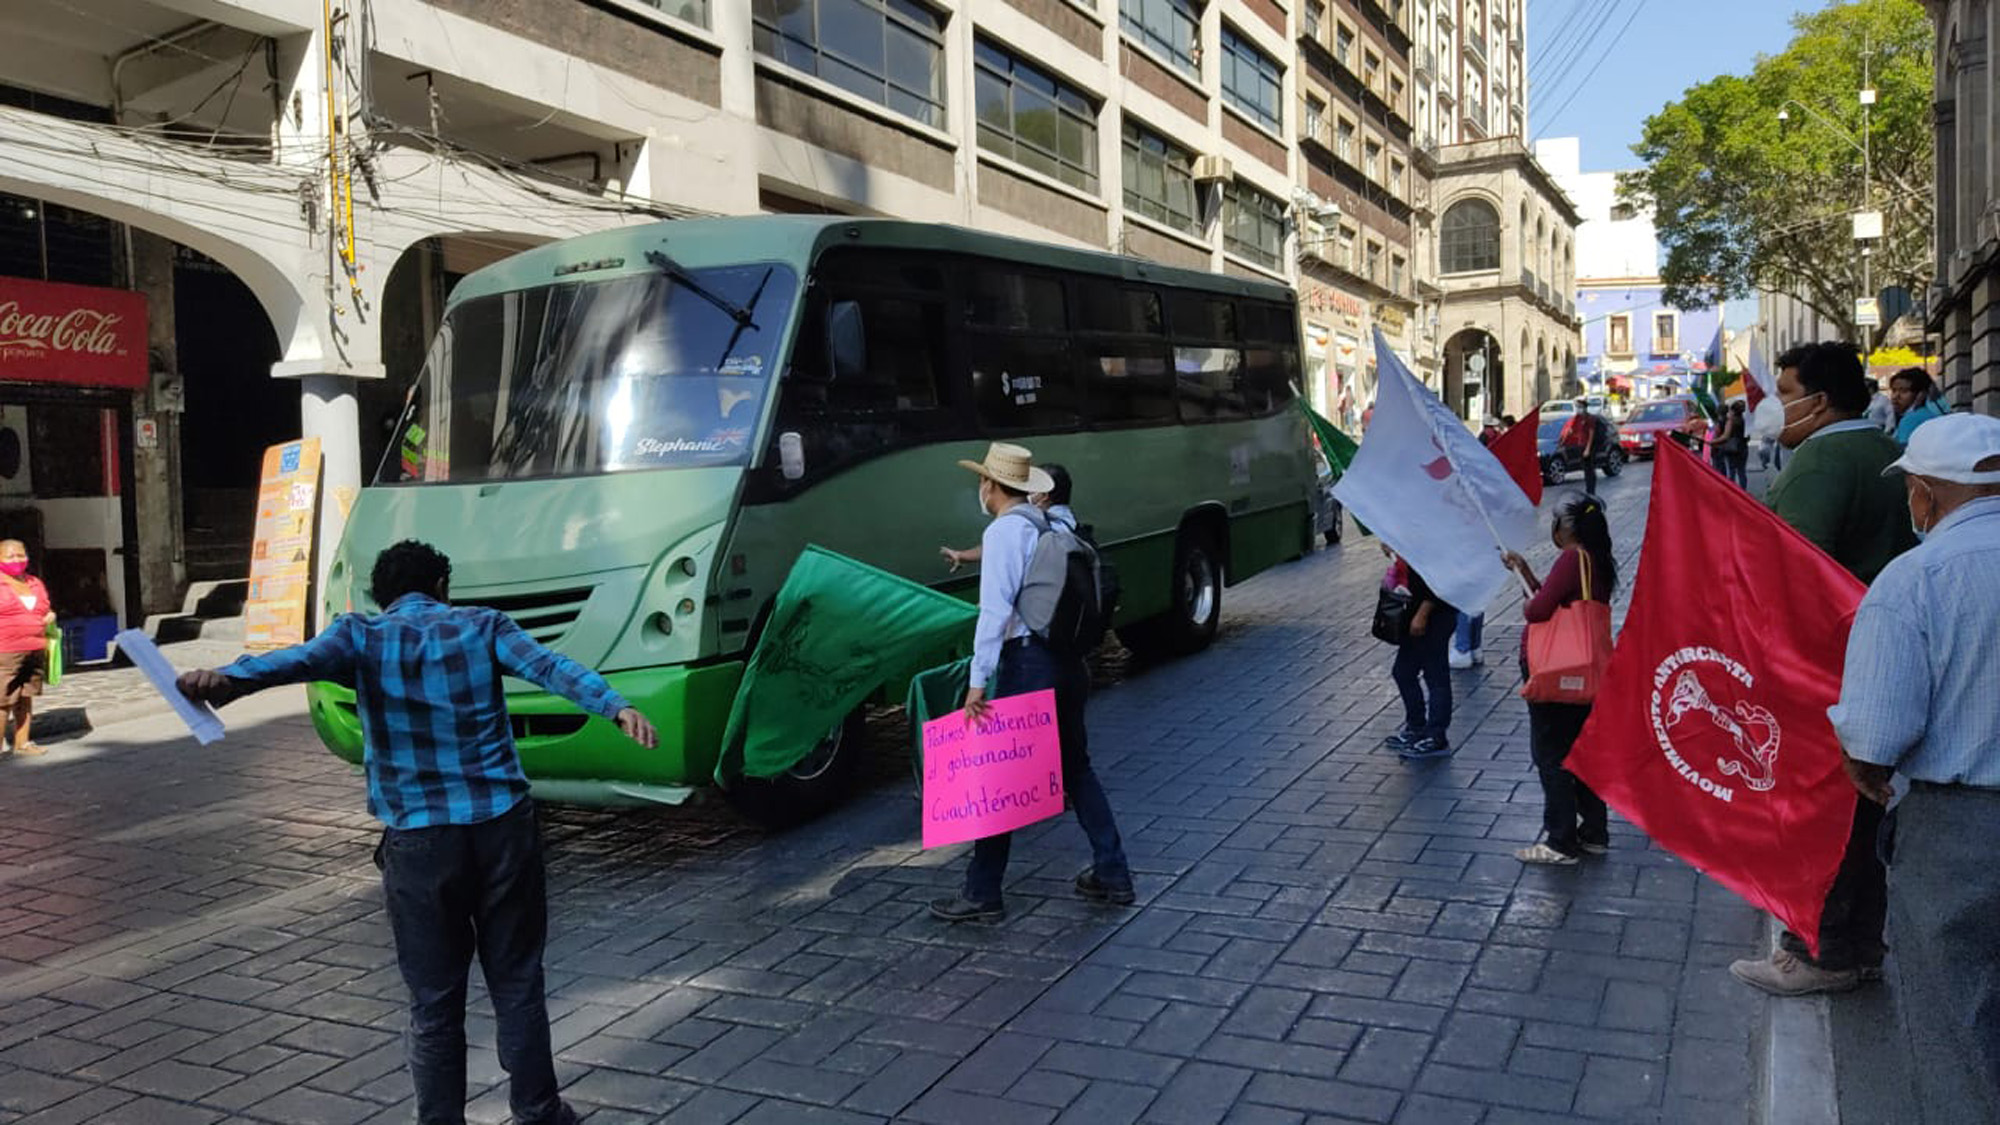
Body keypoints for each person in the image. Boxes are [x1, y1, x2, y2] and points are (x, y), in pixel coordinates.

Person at [176, 540, 659, 1125]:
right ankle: (538, 1110)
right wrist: (614, 706)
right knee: (518, 981)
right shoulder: (483, 626)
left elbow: (293, 661)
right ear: (440, 587)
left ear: (383, 597)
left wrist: (225, 681)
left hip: (420, 844)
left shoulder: (361, 635)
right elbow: (550, 666)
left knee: (433, 1003)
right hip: (502, 828)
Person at [1730, 341, 1916, 997]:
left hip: (1824, 665)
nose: (1779, 405)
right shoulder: (1889, 453)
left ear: (1822, 398)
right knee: (1861, 809)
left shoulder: (1823, 460)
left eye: (1786, 392)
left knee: (1821, 806)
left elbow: (1795, 572)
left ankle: (1818, 951)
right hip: (1878, 659)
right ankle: (1858, 944)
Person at [1829, 413, 2000, 1124]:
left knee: (1952, 1021)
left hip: (1961, 831)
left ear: (1924, 495)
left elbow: (1874, 734)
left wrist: (1864, 767)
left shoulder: (1914, 580)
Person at [931, 444, 1131, 922]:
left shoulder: (1003, 531)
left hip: (1029, 665)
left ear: (991, 485)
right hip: (1068, 663)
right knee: (1078, 769)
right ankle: (1113, 873)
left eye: (981, 482)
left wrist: (978, 682)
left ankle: (982, 893)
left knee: (997, 779)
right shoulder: (1052, 523)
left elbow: (995, 613)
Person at [1502, 496, 1618, 864]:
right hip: (1585, 672)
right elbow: (1557, 598)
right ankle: (1595, 832)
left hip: (1558, 674)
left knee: (1551, 755)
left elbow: (1538, 609)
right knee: (1578, 752)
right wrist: (1526, 573)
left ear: (1564, 529)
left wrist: (1528, 598)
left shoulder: (1572, 558)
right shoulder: (1596, 560)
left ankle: (1561, 840)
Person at [1385, 554, 1457, 760]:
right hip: (1416, 612)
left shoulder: (1433, 537)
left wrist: (1423, 613)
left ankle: (1436, 735)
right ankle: (1417, 727)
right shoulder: (1413, 534)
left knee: (1435, 676)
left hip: (1435, 616)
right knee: (1404, 672)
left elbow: (1442, 578)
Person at [941, 463, 1073, 572]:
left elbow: (997, 601)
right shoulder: (1047, 522)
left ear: (1044, 496)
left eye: (1031, 490)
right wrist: (963, 556)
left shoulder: (1015, 528)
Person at [0, 540, 54, 757]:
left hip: (34, 647)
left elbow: (46, 607)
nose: (17, 560)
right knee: (3, 699)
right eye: (10, 557)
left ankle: (22, 743)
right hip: (6, 650)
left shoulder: (34, 582)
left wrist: (50, 616)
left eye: (20, 555)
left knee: (25, 696)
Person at [1889, 367, 1949, 446]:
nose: (1895, 396)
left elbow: (1902, 453)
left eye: (1904, 391)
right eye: (1894, 391)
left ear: (1921, 394)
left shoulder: (1912, 419)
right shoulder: (1934, 415)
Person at [1719, 401, 1750, 487]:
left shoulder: (1730, 422)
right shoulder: (1745, 422)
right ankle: (1744, 492)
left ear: (1733, 411)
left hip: (1731, 449)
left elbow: (1725, 436)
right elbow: (1748, 437)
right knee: (1742, 471)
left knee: (1731, 471)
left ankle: (1732, 491)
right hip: (1743, 448)